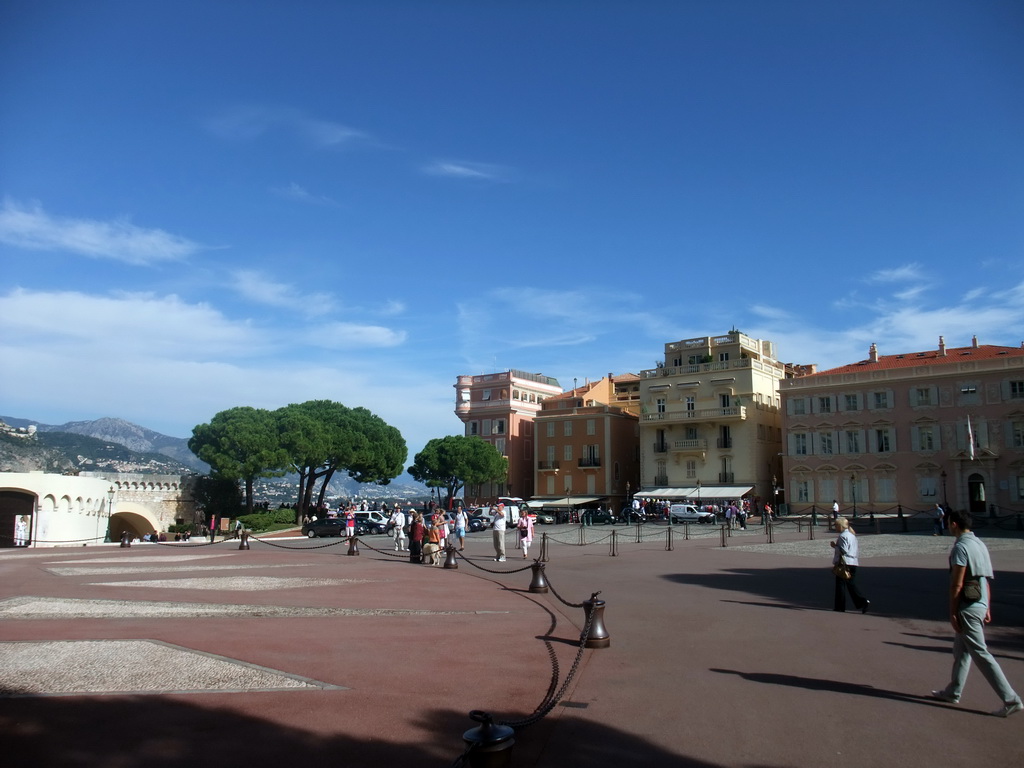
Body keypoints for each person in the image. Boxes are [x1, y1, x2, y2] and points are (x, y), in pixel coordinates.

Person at [931, 509, 1022, 717]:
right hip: (980, 601)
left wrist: (953, 611)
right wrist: (987, 606)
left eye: (948, 522)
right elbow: (985, 579)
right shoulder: (979, 544)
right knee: (961, 651)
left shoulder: (961, 547)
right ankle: (953, 691)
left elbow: (957, 583)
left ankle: (1011, 698)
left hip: (968, 605)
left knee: (980, 653)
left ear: (954, 524)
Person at [830, 517, 869, 613]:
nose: (835, 527)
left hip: (845, 563)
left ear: (840, 526)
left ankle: (840, 606)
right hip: (853, 562)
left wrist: (835, 546)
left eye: (836, 525)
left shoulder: (843, 536)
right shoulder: (852, 535)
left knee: (840, 585)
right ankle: (862, 602)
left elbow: (844, 550)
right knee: (851, 584)